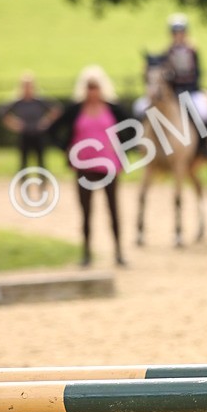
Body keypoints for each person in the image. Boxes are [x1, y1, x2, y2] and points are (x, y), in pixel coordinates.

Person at [49, 66, 128, 267]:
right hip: (84, 168)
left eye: (96, 87)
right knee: (86, 211)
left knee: (113, 209)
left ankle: (118, 252)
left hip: (109, 167)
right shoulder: (75, 110)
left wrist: (121, 148)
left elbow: (132, 129)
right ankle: (86, 253)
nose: (92, 91)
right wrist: (66, 149)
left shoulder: (113, 109)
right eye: (89, 87)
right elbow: (52, 130)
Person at [164, 14, 207, 138]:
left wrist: (191, 86)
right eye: (175, 32)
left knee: (203, 112)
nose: (178, 35)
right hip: (174, 92)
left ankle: (204, 142)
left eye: (180, 32)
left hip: (191, 90)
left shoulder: (192, 50)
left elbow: (197, 72)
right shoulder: (168, 51)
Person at [0, 72, 60, 172]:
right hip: (24, 134)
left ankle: (42, 180)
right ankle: (23, 181)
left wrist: (46, 121)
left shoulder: (39, 100)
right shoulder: (18, 101)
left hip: (38, 134)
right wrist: (14, 124)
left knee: (41, 162)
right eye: (25, 85)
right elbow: (2, 113)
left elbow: (56, 109)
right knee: (23, 163)